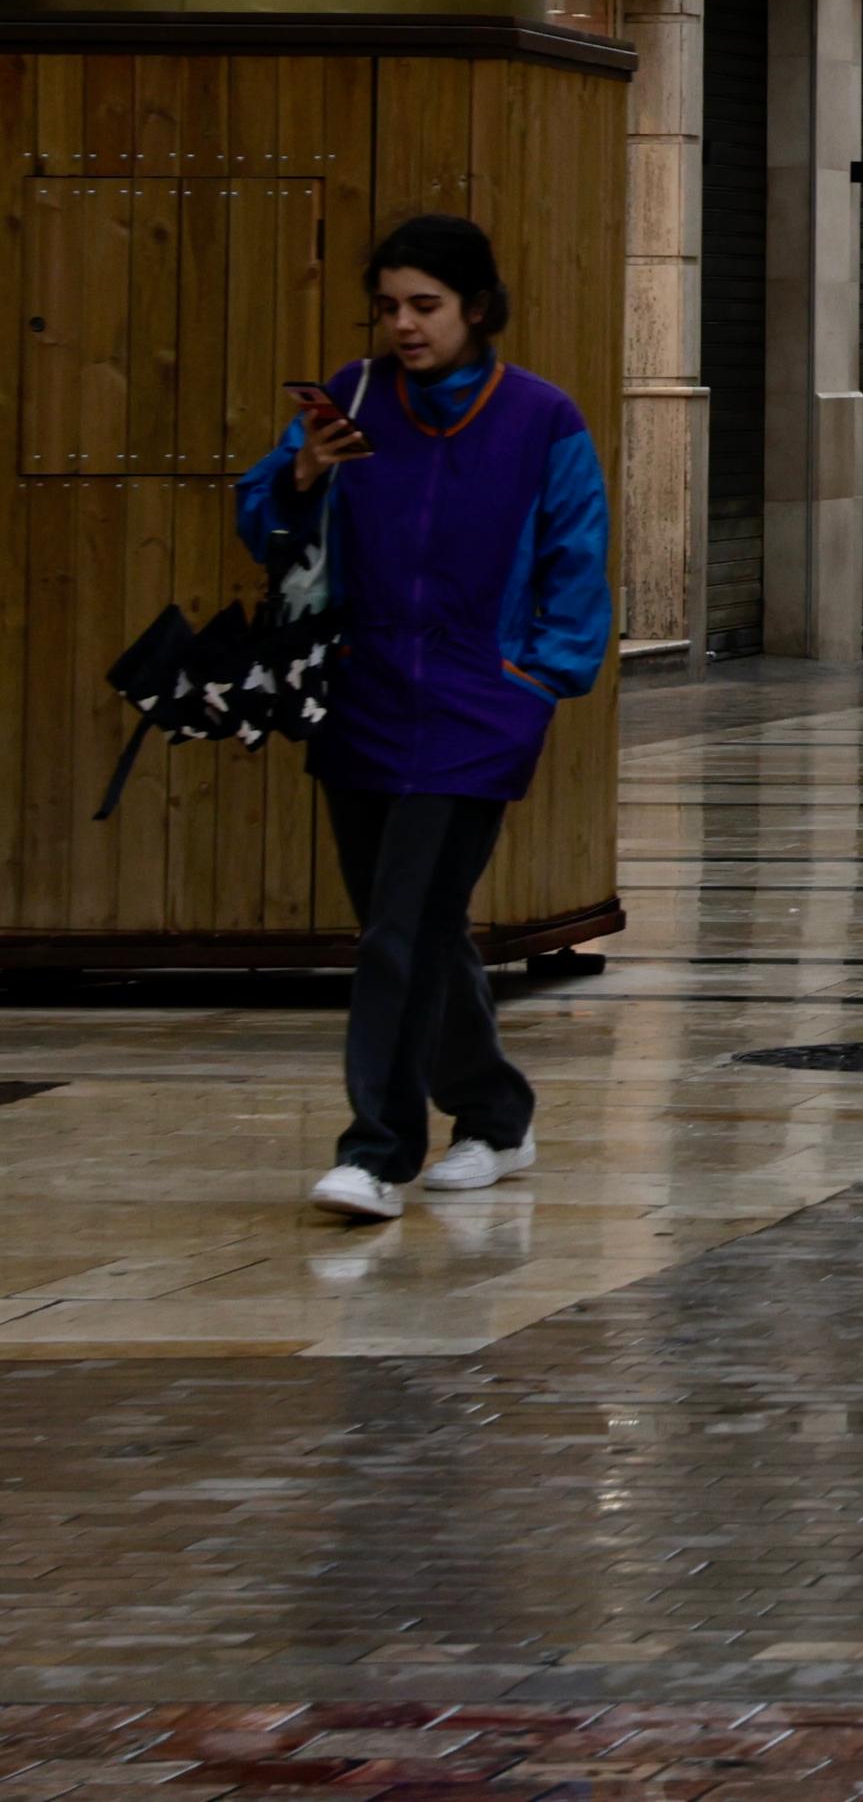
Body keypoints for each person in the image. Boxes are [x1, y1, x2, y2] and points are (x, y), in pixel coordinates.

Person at [233, 215, 614, 1223]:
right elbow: (260, 522)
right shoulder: (348, 401)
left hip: (478, 707)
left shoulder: (541, 416)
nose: (404, 324)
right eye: (390, 305)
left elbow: (577, 556)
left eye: (426, 305)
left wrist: (538, 679)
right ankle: (494, 1109)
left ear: (476, 306)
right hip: (359, 699)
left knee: (400, 925)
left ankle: (376, 1148)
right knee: (412, 926)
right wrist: (302, 472)